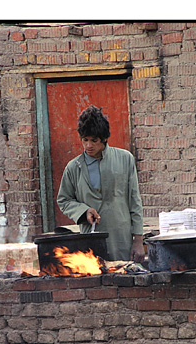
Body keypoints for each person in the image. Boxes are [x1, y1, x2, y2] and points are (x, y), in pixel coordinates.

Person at [57, 106, 144, 262]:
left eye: (94, 140)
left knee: (122, 273)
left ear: (104, 138)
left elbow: (134, 201)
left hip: (121, 239)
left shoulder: (125, 159)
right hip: (90, 241)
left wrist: (138, 240)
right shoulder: (73, 167)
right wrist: (83, 211)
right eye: (85, 140)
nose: (88, 145)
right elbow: (64, 200)